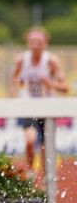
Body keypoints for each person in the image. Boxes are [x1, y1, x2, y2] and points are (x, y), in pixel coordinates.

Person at [9, 26, 68, 171]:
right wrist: (14, 92)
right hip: (28, 105)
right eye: (32, 41)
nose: (36, 44)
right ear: (27, 43)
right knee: (30, 139)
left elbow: (65, 87)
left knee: (45, 146)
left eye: (39, 41)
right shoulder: (21, 60)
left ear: (45, 43)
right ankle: (30, 171)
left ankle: (44, 177)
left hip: (47, 107)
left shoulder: (51, 61)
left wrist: (50, 84)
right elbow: (14, 78)